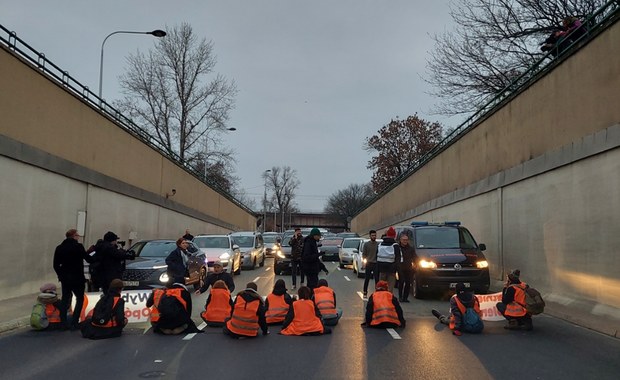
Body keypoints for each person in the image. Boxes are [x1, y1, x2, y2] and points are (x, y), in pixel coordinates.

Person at [53, 228, 92, 329]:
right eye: (77, 235)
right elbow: (88, 258)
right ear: (74, 236)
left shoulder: (59, 248)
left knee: (65, 298)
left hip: (65, 278)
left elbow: (55, 264)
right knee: (80, 298)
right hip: (77, 277)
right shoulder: (78, 247)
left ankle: (63, 322)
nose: (78, 237)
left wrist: (60, 275)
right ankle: (75, 322)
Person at [395, 232, 416, 303]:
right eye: (404, 240)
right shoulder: (398, 248)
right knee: (401, 282)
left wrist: (416, 263)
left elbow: (415, 257)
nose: (405, 241)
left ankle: (405, 298)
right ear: (400, 240)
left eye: (406, 240)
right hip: (400, 268)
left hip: (409, 268)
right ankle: (400, 297)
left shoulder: (411, 249)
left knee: (408, 283)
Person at [377, 227, 399, 293]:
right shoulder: (395, 245)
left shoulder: (380, 245)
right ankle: (388, 301)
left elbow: (377, 257)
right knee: (390, 288)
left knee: (381, 287)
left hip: (382, 270)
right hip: (392, 270)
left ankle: (380, 301)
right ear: (394, 236)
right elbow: (398, 258)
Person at [362, 229, 380, 297]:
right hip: (369, 263)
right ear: (370, 236)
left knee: (377, 279)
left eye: (375, 235)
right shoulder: (366, 244)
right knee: (367, 278)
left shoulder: (378, 244)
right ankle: (365, 292)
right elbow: (364, 254)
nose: (374, 237)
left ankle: (377, 292)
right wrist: (364, 262)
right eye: (372, 235)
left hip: (376, 264)